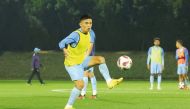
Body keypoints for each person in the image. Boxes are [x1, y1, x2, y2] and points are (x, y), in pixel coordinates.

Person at [59, 14, 123, 109]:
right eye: (86, 23)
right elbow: (61, 42)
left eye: (90, 23)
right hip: (72, 64)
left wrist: (86, 56)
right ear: (80, 24)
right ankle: (68, 106)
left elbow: (90, 45)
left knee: (101, 59)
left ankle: (109, 81)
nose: (89, 25)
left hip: (82, 61)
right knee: (80, 85)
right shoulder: (75, 35)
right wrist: (64, 50)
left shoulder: (91, 33)